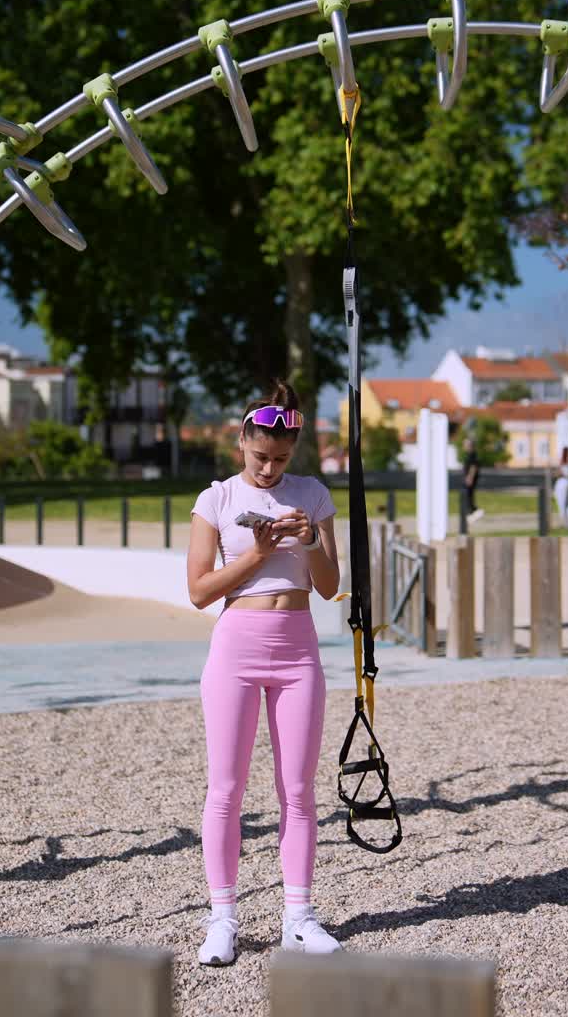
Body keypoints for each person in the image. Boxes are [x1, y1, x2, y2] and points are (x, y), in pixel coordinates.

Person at [187, 380, 342, 967]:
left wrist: (308, 543)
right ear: (242, 441)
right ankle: (222, 916)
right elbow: (200, 591)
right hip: (236, 648)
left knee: (298, 791)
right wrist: (255, 553)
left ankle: (298, 918)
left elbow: (328, 587)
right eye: (260, 456)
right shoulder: (217, 499)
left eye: (281, 458)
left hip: (298, 650)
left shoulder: (314, 495)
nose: (270, 468)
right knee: (225, 790)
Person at [462, 435, 484, 524]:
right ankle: (472, 514)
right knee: (468, 496)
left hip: (471, 479)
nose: (464, 446)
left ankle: (476, 511)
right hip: (469, 478)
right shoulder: (470, 455)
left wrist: (470, 477)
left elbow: (473, 467)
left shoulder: (472, 455)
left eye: (465, 444)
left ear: (470, 445)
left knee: (469, 496)